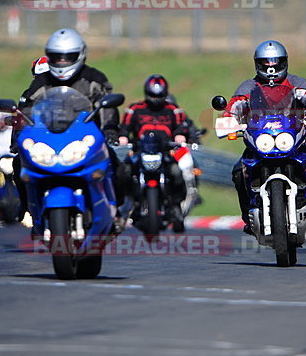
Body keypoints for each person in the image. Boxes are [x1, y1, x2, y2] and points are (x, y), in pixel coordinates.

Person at [16, 28, 130, 226]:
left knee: (117, 165)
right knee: (19, 162)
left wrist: (110, 130)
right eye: (56, 57)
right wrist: (19, 137)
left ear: (80, 55)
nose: (62, 62)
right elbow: (25, 110)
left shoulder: (94, 79)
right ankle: (27, 206)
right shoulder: (41, 83)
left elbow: (107, 105)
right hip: (49, 140)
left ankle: (116, 210)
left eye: (68, 57)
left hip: (85, 140)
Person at [225, 40, 306, 235]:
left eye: (275, 63)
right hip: (260, 142)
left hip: (292, 141)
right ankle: (248, 215)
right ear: (257, 64)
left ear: (284, 62)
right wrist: (228, 120)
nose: (271, 69)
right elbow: (233, 107)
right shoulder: (248, 87)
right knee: (239, 171)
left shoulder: (298, 83)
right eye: (266, 64)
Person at [118, 74, 194, 230]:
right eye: (152, 95)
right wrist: (123, 138)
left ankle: (175, 205)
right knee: (123, 172)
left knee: (177, 173)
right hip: (140, 152)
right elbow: (124, 128)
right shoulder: (134, 109)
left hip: (165, 153)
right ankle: (125, 205)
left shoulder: (173, 109)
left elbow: (182, 126)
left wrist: (180, 135)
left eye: (159, 96)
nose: (156, 99)